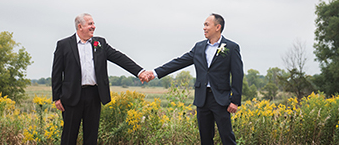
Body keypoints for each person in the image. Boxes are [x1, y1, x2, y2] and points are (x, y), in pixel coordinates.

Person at [142, 13, 243, 145]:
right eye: (204, 25)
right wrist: (154, 73)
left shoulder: (231, 47)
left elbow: (238, 74)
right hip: (202, 99)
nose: (204, 28)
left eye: (207, 25)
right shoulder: (199, 47)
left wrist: (235, 100)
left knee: (227, 137)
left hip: (221, 99)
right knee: (205, 139)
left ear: (217, 27)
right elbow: (179, 62)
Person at [52, 13, 148, 145]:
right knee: (69, 136)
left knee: (91, 137)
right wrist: (56, 97)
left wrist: (139, 71)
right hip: (71, 96)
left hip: (94, 95)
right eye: (90, 24)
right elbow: (56, 72)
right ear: (80, 26)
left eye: (93, 23)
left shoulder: (100, 43)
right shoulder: (64, 45)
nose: (94, 27)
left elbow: (119, 57)